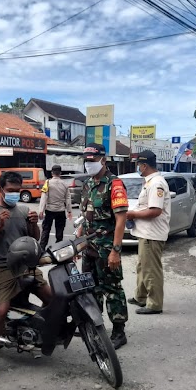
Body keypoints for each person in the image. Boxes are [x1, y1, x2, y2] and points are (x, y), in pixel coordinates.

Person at [0, 171, 54, 379]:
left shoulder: (23, 209)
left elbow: (35, 238)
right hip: (0, 267)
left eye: (18, 190)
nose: (14, 194)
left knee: (52, 299)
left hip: (24, 265)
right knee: (1, 310)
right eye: (10, 190)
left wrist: (33, 224)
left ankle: (39, 332)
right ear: (1, 189)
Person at [77, 143, 129, 350]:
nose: (88, 164)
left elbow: (121, 220)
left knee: (112, 289)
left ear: (103, 160)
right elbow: (85, 216)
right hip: (89, 246)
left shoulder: (114, 185)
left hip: (107, 248)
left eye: (92, 161)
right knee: (90, 289)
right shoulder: (88, 184)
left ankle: (119, 332)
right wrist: (79, 240)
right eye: (86, 161)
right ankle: (96, 327)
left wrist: (115, 252)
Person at [126, 150, 170, 315]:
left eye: (138, 164)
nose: (138, 167)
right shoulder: (149, 182)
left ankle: (155, 304)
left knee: (151, 269)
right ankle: (141, 296)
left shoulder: (156, 183)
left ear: (144, 165)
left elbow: (155, 211)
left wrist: (132, 214)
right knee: (142, 266)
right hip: (145, 233)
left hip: (152, 234)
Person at [38, 164, 72, 250]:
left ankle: (42, 249)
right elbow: (68, 198)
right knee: (59, 232)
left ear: (52, 173)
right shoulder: (65, 184)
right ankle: (58, 249)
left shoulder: (47, 183)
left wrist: (41, 210)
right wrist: (69, 211)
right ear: (60, 173)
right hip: (60, 211)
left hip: (49, 210)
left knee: (46, 230)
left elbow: (44, 197)